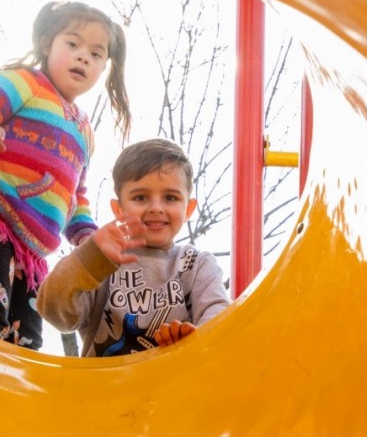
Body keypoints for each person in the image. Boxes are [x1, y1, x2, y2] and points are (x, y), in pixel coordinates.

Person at [0, 1, 131, 351]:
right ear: (49, 43)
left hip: (29, 255)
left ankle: (1, 404)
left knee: (26, 343)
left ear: (103, 67)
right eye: (73, 44)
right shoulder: (25, 82)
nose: (83, 57)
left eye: (96, 54)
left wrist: (89, 240)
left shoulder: (85, 132)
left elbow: (74, 197)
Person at [37, 138, 231, 357]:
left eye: (170, 197)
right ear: (118, 209)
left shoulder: (196, 265)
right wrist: (88, 256)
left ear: (188, 209)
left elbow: (219, 314)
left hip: (175, 385)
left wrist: (195, 339)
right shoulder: (100, 262)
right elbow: (54, 310)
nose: (156, 208)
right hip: (108, 387)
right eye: (140, 197)